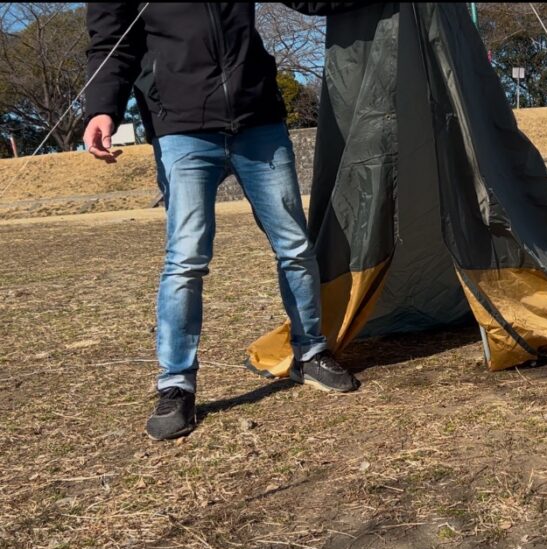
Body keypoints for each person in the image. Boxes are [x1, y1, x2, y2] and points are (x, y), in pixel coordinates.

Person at [84, 3, 365, 441]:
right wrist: (102, 108)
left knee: (294, 245)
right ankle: (176, 384)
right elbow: (109, 43)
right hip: (181, 128)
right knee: (187, 257)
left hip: (259, 122)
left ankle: (310, 353)